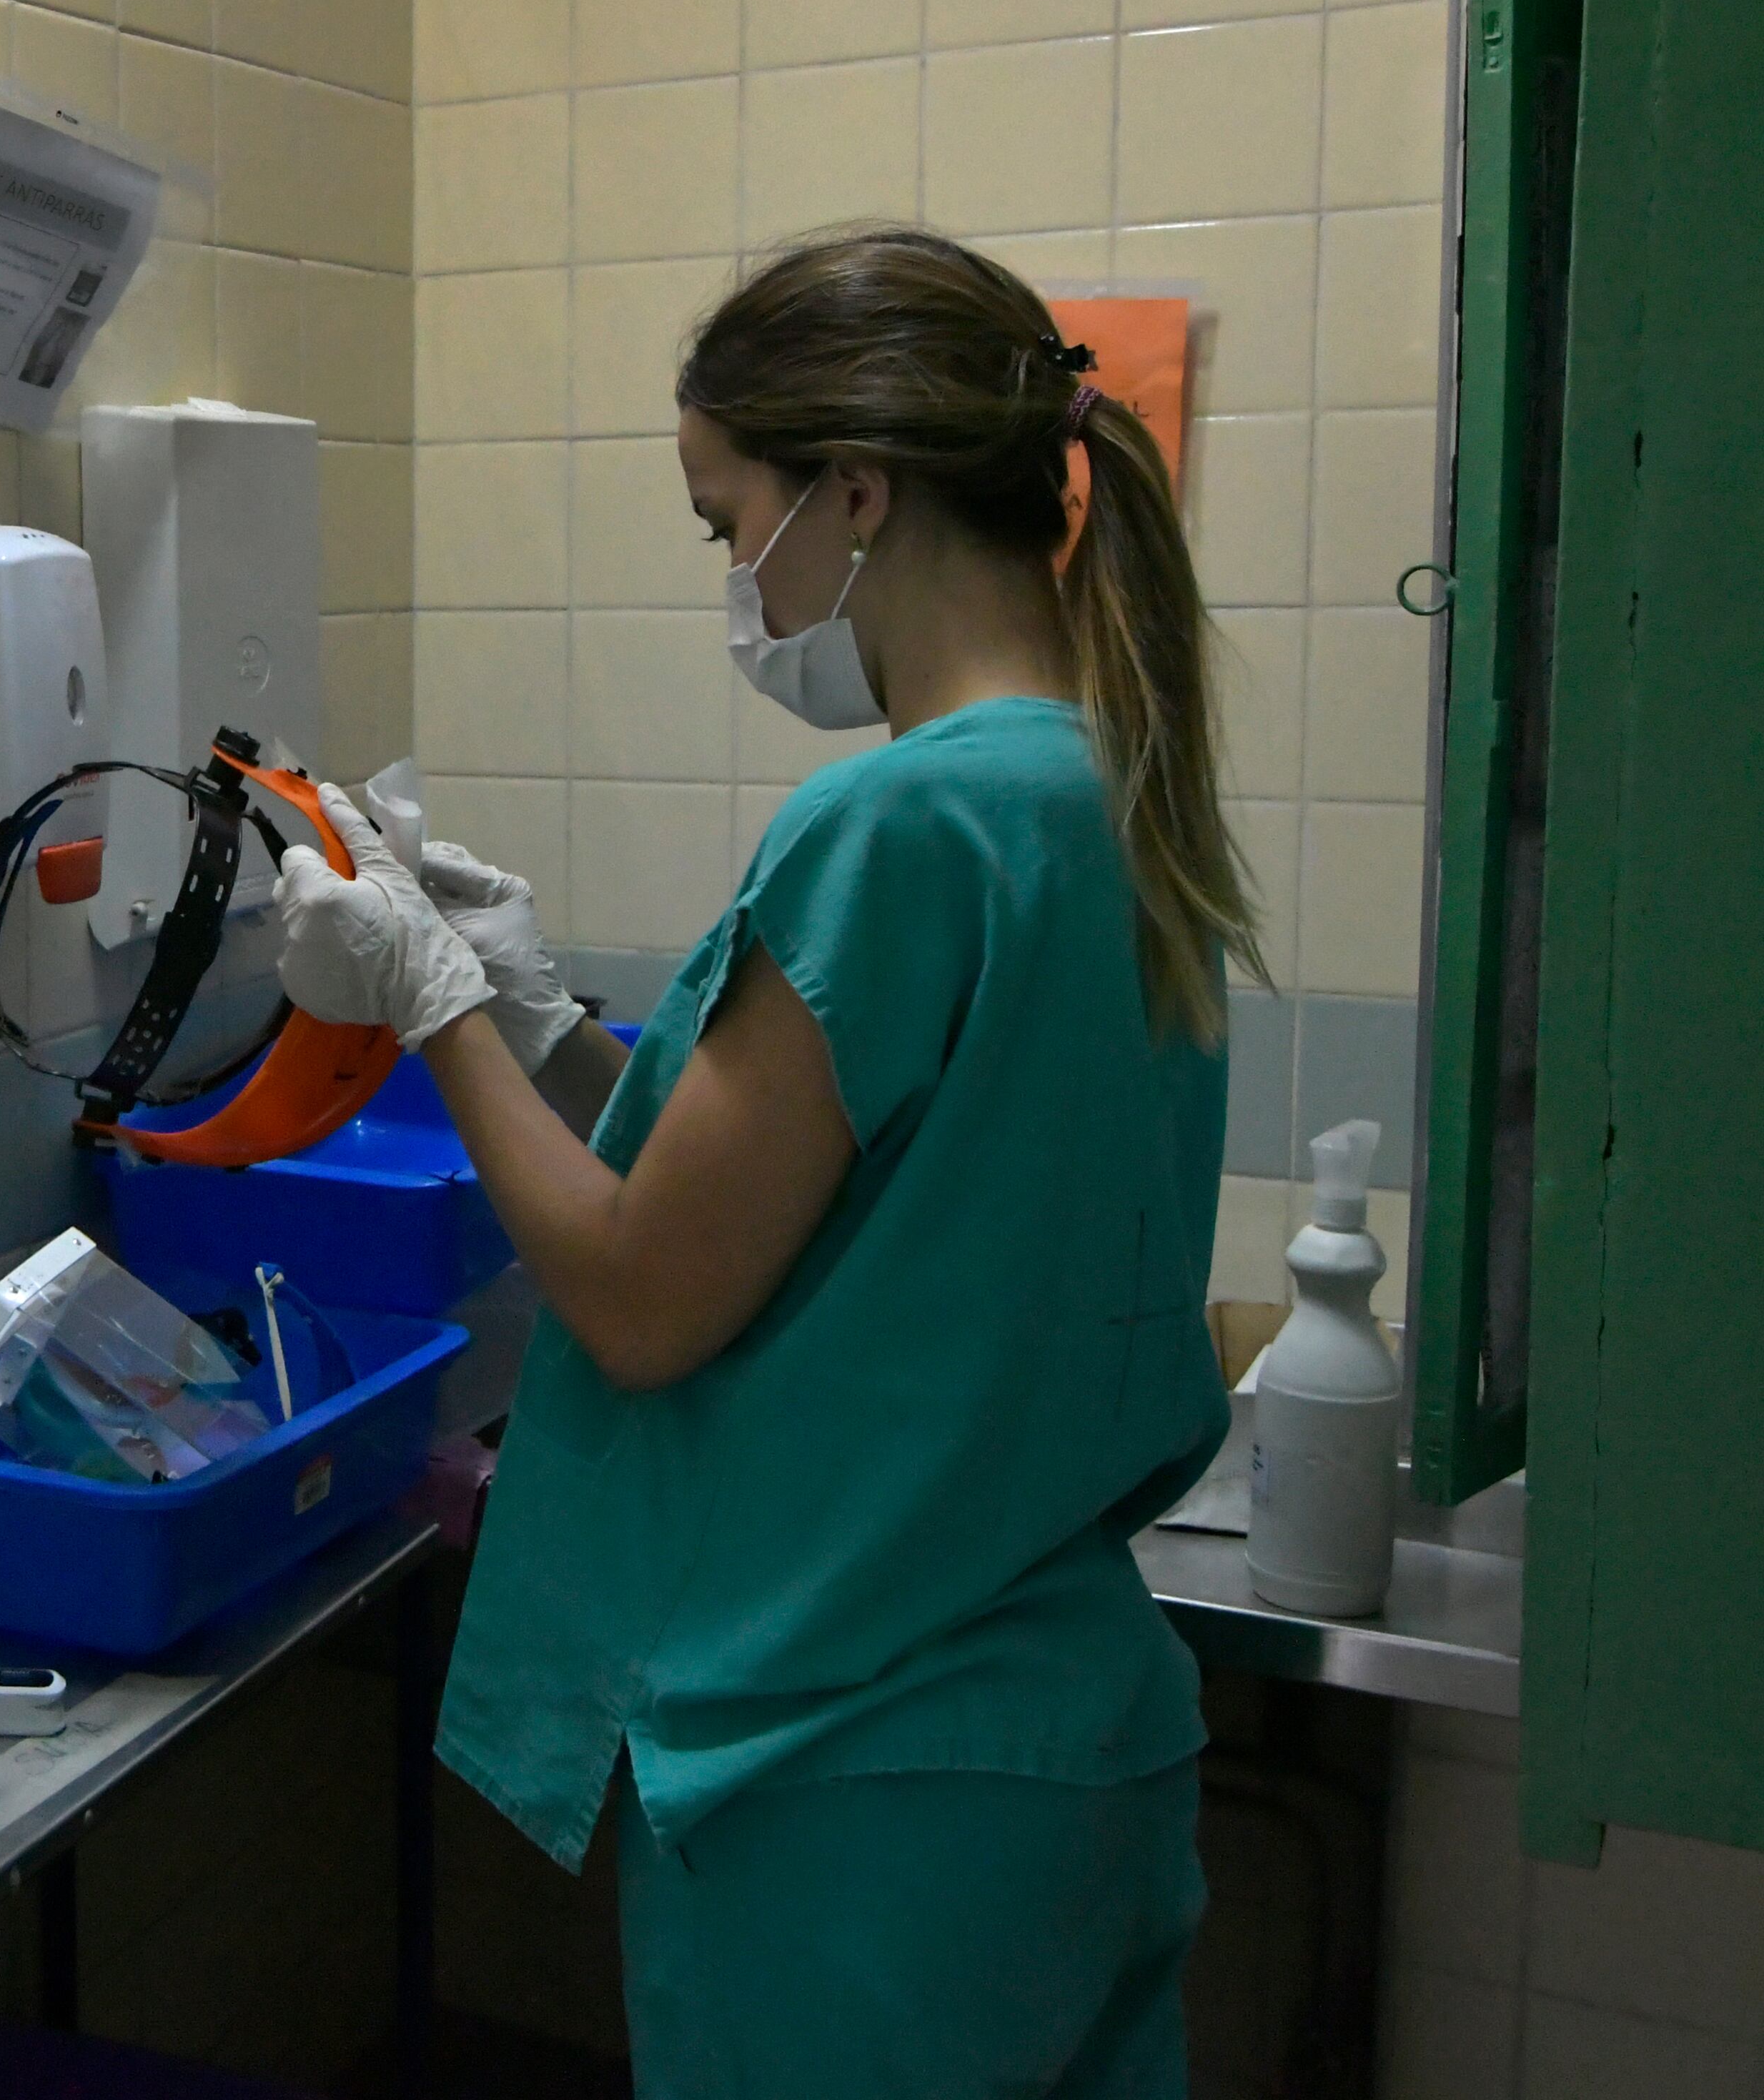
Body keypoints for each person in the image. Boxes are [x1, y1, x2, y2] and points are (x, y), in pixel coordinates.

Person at [272, 227, 1262, 2097]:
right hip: (1071, 1755)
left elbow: (646, 1294)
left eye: (731, 524)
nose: (735, 580)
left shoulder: (903, 820)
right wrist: (548, 1021)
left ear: (859, 495)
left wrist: (430, 1003)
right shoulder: (1112, 803)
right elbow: (840, 1188)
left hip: (861, 1790)